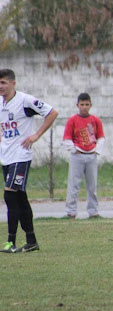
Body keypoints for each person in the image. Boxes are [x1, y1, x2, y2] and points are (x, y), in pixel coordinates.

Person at [0, 69, 59, 253]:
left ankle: (11, 242)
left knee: (9, 195)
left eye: (3, 83)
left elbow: (52, 112)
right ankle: (31, 241)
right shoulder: (0, 103)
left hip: (21, 156)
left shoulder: (25, 101)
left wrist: (36, 135)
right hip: (6, 157)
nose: (0, 87)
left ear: (13, 83)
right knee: (20, 198)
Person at [62, 93, 105, 219]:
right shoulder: (72, 120)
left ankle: (93, 211)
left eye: (87, 104)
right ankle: (71, 212)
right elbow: (67, 138)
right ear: (77, 105)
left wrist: (96, 151)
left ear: (90, 105)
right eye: (82, 105)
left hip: (91, 155)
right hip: (77, 156)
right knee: (73, 185)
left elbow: (101, 137)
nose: (84, 107)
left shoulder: (96, 120)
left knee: (92, 186)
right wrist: (75, 150)